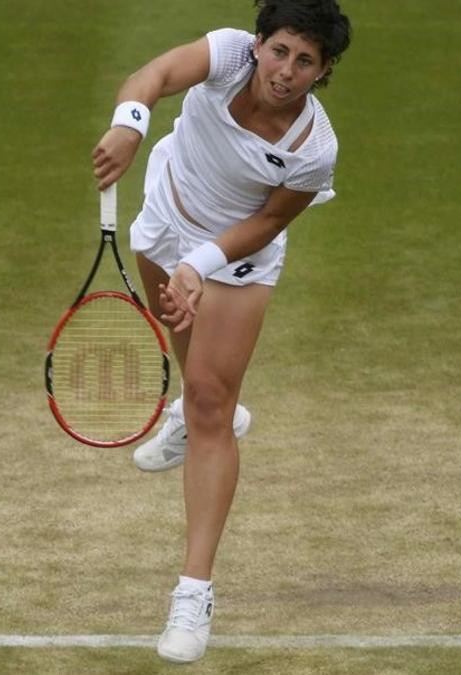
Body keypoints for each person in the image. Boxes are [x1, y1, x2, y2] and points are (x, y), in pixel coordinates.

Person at [91, 0, 351, 664]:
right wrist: (129, 125)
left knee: (213, 402)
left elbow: (266, 224)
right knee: (178, 334)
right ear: (259, 43)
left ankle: (193, 592)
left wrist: (200, 265)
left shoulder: (313, 148)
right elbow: (154, 76)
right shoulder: (229, 52)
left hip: (236, 261)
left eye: (306, 62)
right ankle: (196, 406)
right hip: (166, 207)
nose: (286, 71)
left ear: (322, 73)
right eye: (280, 51)